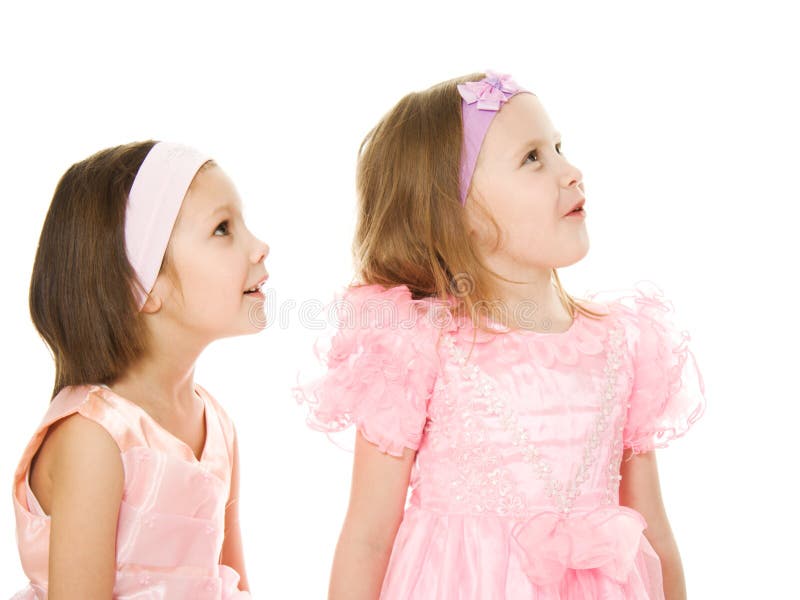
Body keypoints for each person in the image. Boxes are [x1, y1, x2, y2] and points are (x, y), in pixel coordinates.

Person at [294, 71, 707, 599]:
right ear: (454, 211)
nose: (571, 171)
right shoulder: (418, 344)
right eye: (533, 157)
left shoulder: (624, 344)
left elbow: (656, 535)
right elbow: (368, 539)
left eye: (558, 147)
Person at [12, 141, 269, 598]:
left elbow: (235, 583)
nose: (260, 247)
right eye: (223, 229)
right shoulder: (95, 438)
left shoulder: (218, 426)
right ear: (144, 285)